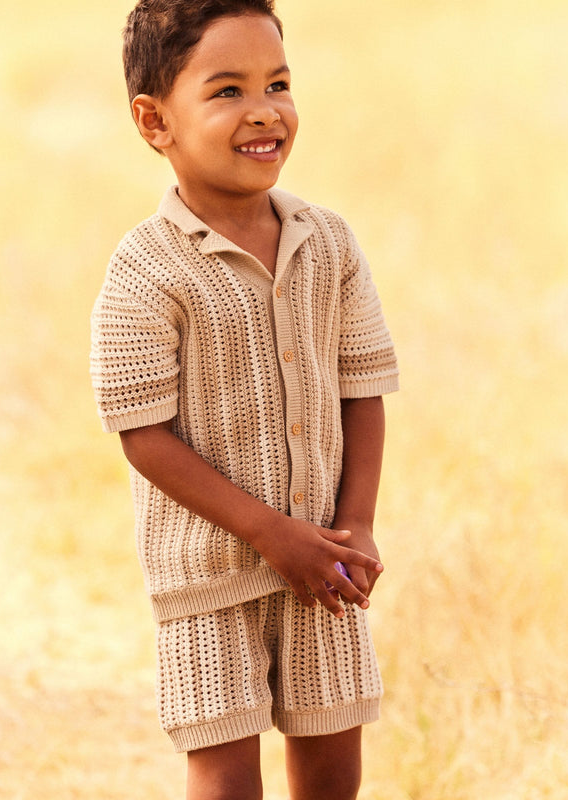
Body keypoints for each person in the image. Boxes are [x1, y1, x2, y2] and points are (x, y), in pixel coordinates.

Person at [90, 1, 399, 798]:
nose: (264, 110)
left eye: (279, 83)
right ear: (154, 120)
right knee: (225, 778)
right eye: (226, 90)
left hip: (323, 565)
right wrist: (269, 532)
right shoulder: (145, 271)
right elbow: (142, 433)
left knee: (334, 767)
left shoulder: (328, 243)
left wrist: (354, 524)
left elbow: (363, 388)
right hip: (209, 575)